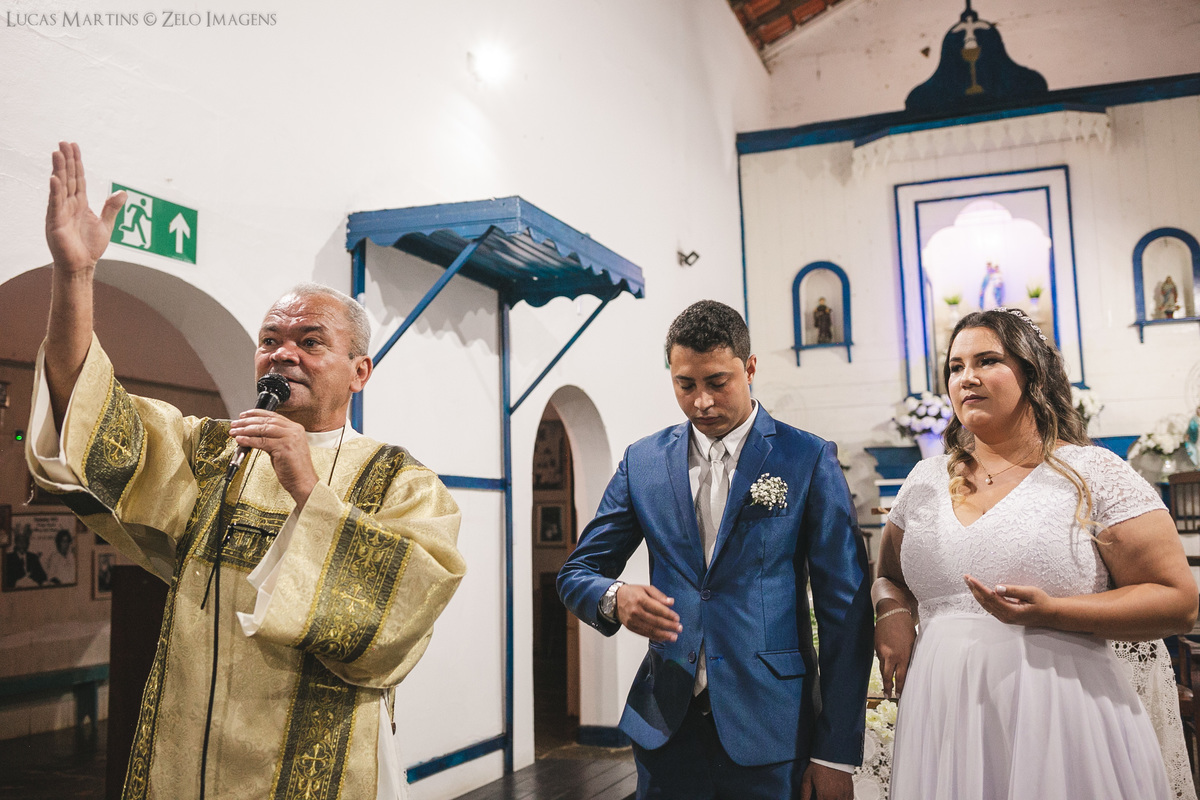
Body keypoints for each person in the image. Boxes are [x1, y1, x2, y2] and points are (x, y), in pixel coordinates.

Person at [25, 142, 466, 800]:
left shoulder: (402, 483)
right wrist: (75, 277)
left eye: (310, 341)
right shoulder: (211, 455)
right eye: (270, 341)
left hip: (312, 769)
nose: (282, 354)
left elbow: (400, 616)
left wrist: (306, 487)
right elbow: (90, 421)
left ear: (360, 371)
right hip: (187, 765)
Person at [873, 306, 1198, 800]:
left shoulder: (1091, 472)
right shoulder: (924, 481)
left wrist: (1055, 611)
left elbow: (1178, 599)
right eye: (955, 367)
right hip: (944, 711)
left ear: (1033, 373)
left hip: (1061, 708)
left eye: (987, 361)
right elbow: (887, 577)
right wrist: (892, 610)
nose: (967, 378)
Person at [558, 300, 873, 800]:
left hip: (771, 727)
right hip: (664, 725)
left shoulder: (806, 458)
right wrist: (613, 596)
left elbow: (845, 611)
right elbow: (579, 570)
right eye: (685, 385)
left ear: (749, 369)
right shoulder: (642, 462)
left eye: (717, 382)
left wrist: (834, 752)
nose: (701, 401)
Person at [4, 524, 47, 589]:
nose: (22, 544)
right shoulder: (8, 558)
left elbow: (43, 577)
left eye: (24, 541)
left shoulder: (33, 557)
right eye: (19, 541)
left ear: (28, 543)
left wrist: (33, 581)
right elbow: (4, 580)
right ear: (15, 542)